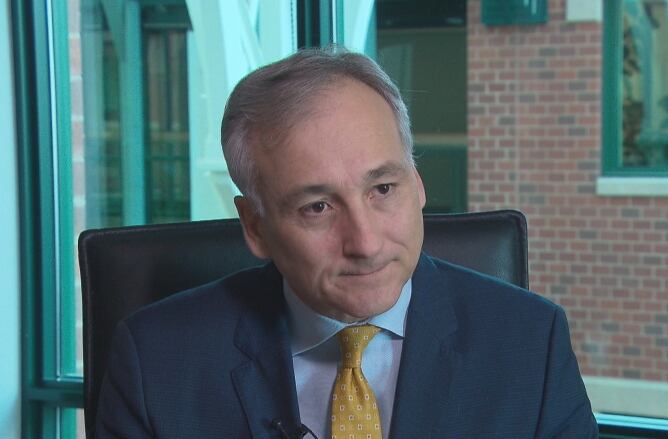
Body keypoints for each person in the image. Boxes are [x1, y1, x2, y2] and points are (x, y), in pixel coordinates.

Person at [96, 47, 598, 438]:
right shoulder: (155, 360)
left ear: (418, 184)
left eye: (383, 189)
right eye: (318, 207)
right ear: (255, 226)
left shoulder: (530, 341)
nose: (365, 241)